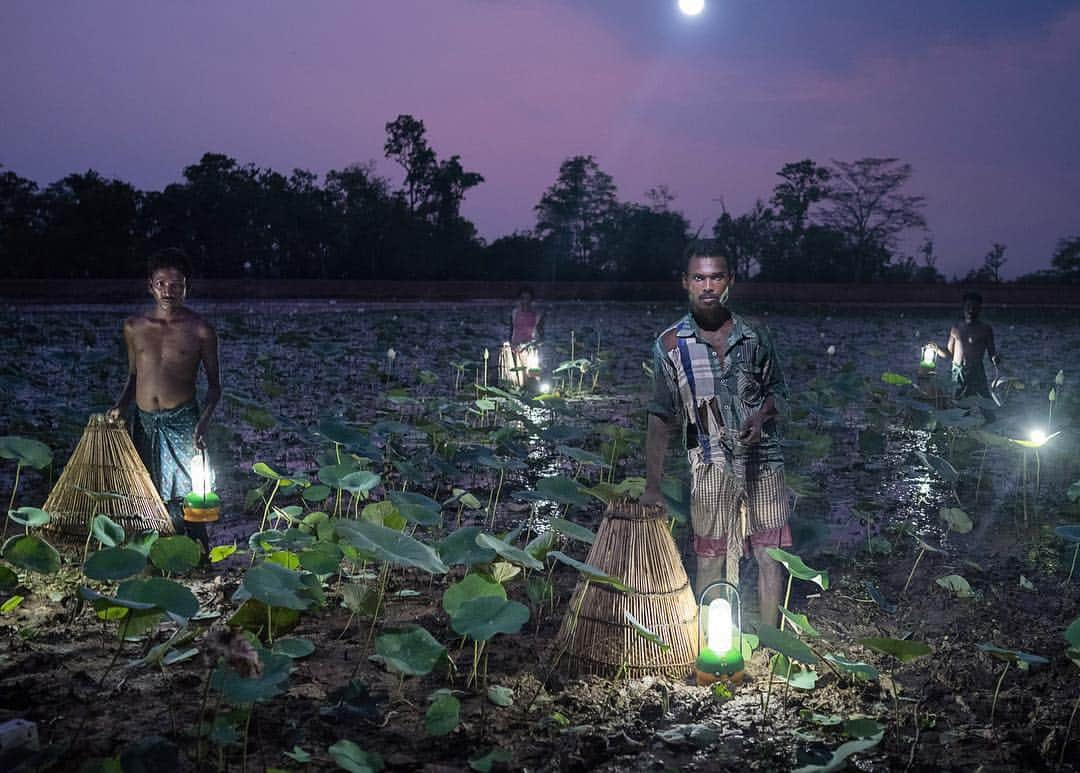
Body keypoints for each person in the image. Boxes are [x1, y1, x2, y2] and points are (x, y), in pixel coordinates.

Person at [640, 251, 790, 629]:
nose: (708, 287)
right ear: (686, 282)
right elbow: (661, 416)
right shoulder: (671, 344)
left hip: (764, 462)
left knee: (770, 555)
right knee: (709, 555)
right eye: (699, 279)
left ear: (730, 282)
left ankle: (772, 642)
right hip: (708, 461)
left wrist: (761, 417)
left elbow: (779, 392)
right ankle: (712, 641)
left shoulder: (755, 336)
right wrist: (653, 485)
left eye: (716, 278)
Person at [107, 248, 221, 553]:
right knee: (147, 492)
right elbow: (133, 377)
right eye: (161, 284)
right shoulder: (134, 327)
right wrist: (120, 405)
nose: (168, 291)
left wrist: (203, 423)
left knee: (189, 495)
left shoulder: (200, 330)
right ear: (150, 286)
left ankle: (197, 553)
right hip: (143, 420)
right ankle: (155, 554)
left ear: (186, 288)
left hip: (183, 421)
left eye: (176, 285)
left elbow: (214, 388)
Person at [928, 291, 1001, 399]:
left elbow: (992, 354)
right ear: (963, 308)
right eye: (968, 306)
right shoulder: (956, 328)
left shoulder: (985, 329)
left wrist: (996, 358)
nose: (971, 310)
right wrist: (936, 348)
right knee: (960, 405)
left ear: (980, 309)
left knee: (985, 403)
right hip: (958, 372)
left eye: (975, 307)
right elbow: (949, 354)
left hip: (976, 371)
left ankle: (993, 415)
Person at [499, 287, 544, 388]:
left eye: (528, 298)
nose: (525, 301)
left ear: (531, 300)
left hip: (530, 349)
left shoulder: (537, 315)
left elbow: (541, 336)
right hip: (514, 348)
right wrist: (509, 345)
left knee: (531, 379)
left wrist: (529, 345)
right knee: (515, 381)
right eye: (523, 298)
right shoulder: (514, 313)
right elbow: (511, 331)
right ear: (519, 300)